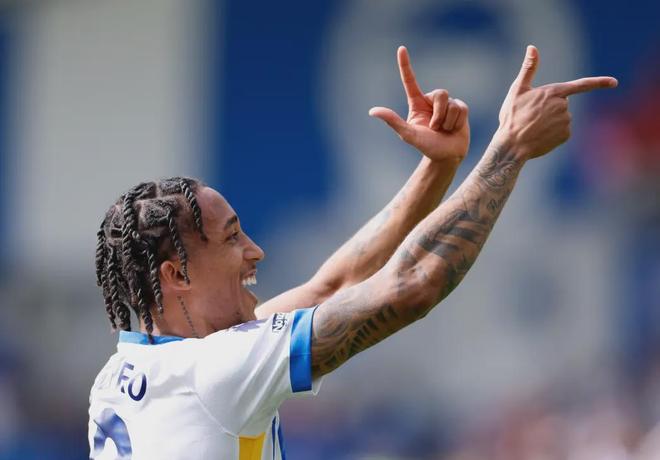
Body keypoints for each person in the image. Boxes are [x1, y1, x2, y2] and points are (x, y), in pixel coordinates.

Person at [88, 45, 617, 459]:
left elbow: (333, 284)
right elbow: (411, 285)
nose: (255, 251)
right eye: (231, 238)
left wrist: (438, 167)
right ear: (176, 274)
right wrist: (509, 147)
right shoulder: (216, 371)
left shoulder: (126, 374)